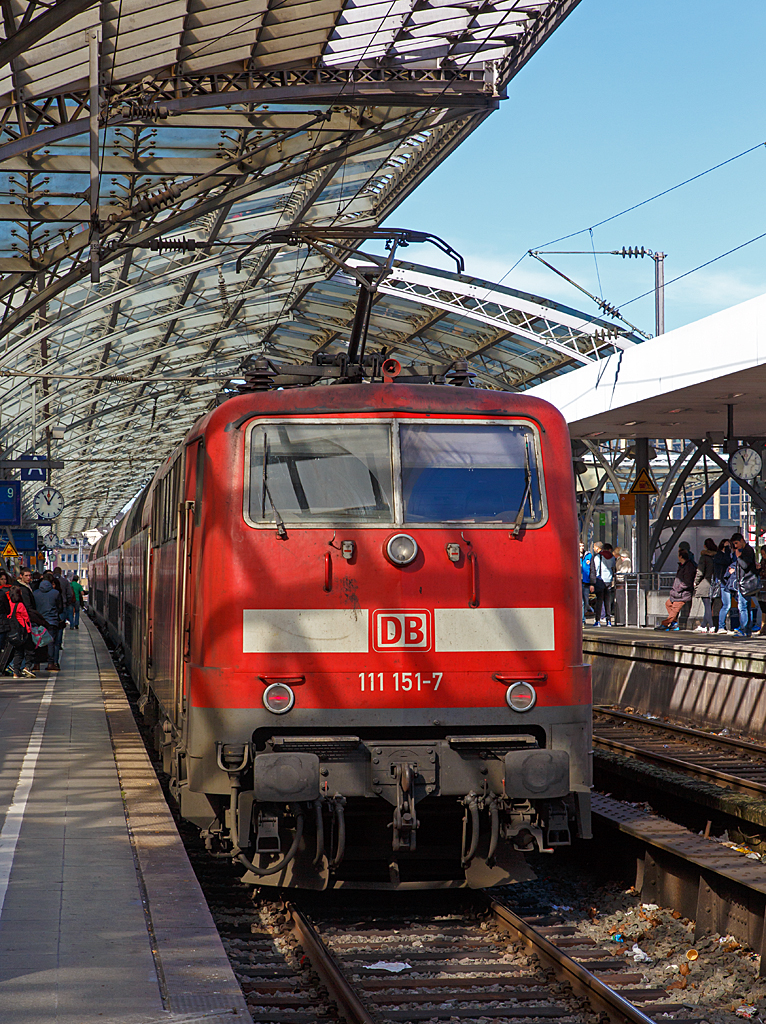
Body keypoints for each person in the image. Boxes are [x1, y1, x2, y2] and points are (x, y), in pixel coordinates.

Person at [655, 549, 696, 630]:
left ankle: (665, 624)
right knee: (668, 604)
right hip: (677, 593)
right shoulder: (682, 566)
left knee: (674, 609)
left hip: (682, 594)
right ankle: (674, 623)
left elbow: (687, 582)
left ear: (680, 556)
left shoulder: (688, 567)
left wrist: (678, 588)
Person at [6, 585, 41, 678]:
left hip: (13, 631)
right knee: (29, 650)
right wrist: (29, 630)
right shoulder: (20, 605)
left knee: (18, 651)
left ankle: (16, 671)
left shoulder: (9, 603)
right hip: (23, 631)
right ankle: (27, 667)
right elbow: (26, 618)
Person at [35, 572, 64, 671]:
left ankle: (36, 664)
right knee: (52, 643)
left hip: (39, 621)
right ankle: (51, 663)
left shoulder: (35, 593)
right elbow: (60, 608)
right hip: (52, 621)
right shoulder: (56, 593)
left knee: (38, 641)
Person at [731, 533, 759, 637]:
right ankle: (747, 629)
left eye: (736, 543)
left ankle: (744, 628)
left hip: (745, 583)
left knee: (743, 606)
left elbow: (744, 565)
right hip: (744, 582)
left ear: (742, 540)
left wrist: (739, 557)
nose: (736, 546)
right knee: (747, 606)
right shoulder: (747, 550)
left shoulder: (747, 551)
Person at [693, 538, 718, 633]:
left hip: (705, 584)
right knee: (709, 606)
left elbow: (700, 572)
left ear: (705, 546)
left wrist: (696, 582)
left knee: (707, 606)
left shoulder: (704, 558)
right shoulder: (716, 557)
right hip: (715, 584)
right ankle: (703, 625)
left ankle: (711, 626)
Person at [590, 542, 616, 626]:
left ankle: (598, 620)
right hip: (609, 580)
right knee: (607, 601)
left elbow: (595, 569)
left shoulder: (598, 556)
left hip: (600, 581)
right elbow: (613, 567)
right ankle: (608, 620)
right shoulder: (612, 557)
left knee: (599, 601)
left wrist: (593, 581)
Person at [580, 542, 593, 625]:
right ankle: (582, 620)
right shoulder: (573, 555)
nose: (581, 547)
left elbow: (592, 569)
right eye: (579, 546)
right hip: (577, 582)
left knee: (586, 601)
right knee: (581, 602)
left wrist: (592, 583)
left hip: (586, 581)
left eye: (582, 546)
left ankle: (582, 618)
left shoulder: (588, 556)